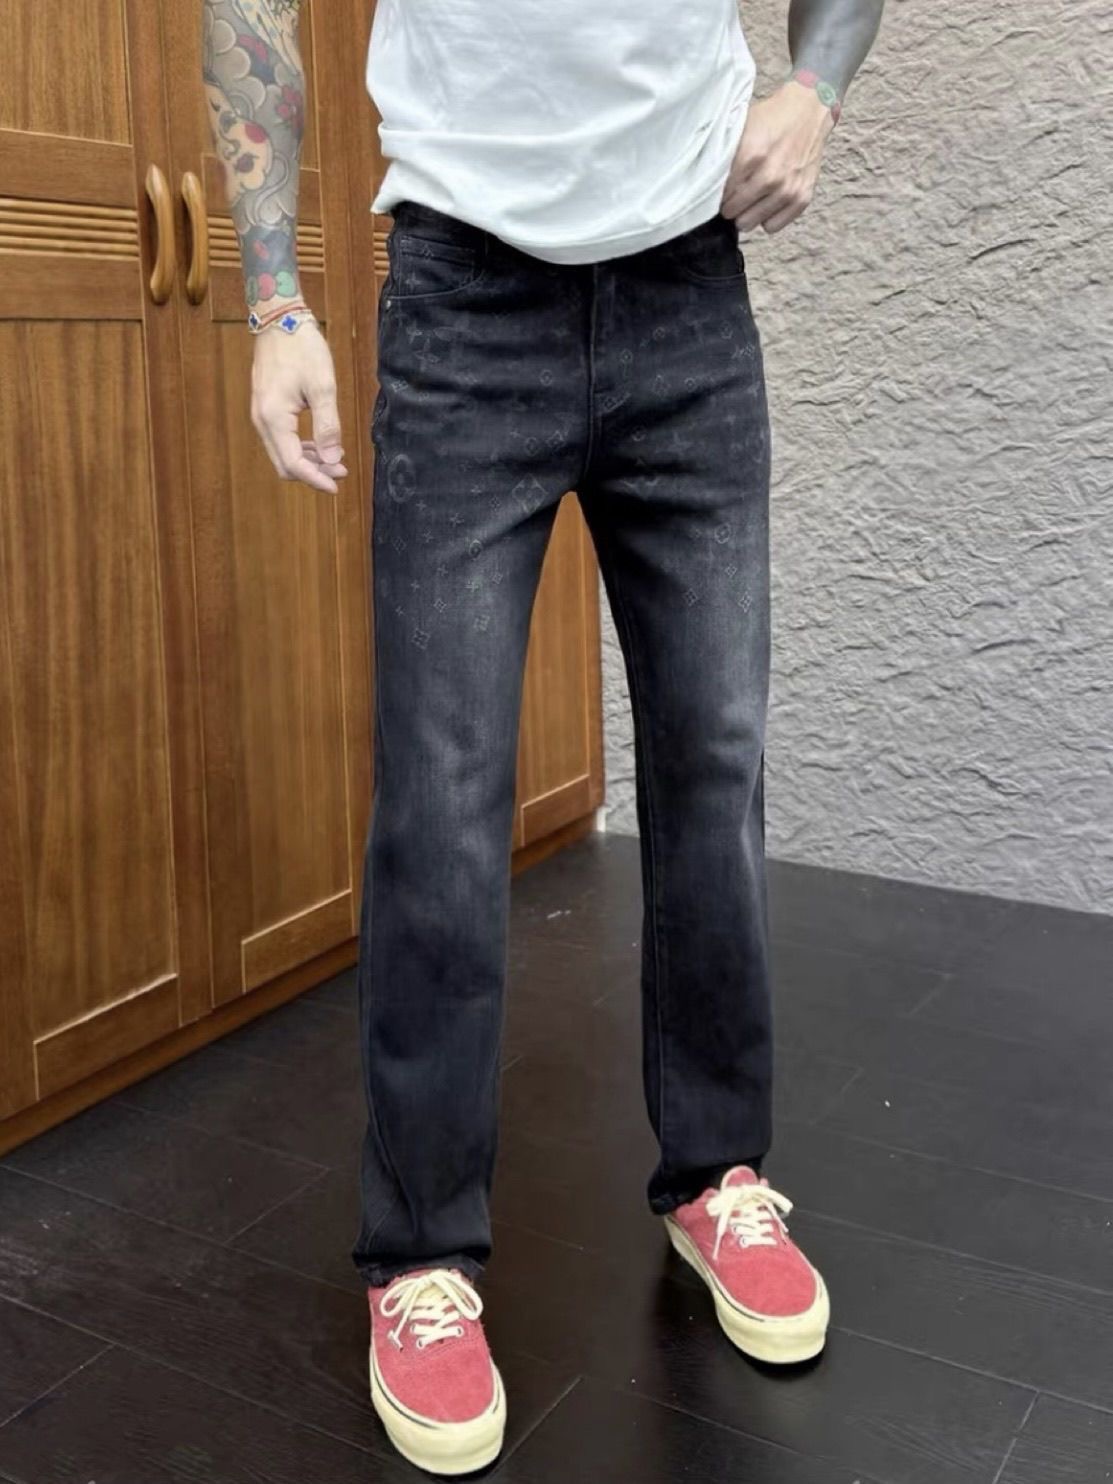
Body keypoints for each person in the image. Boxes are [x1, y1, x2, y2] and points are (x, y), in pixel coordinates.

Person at [203, 0, 885, 1472]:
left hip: (689, 297)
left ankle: (717, 1176)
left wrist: (815, 90)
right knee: (443, 795)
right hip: (465, 304)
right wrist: (273, 304)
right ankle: (419, 1257)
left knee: (714, 757)